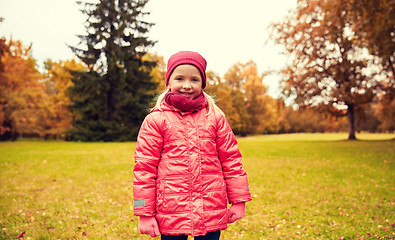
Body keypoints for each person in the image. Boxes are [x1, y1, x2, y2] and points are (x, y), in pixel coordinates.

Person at [132, 51, 252, 240]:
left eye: (194, 80)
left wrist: (239, 201)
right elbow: (144, 170)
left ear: (202, 84)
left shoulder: (215, 118)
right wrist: (144, 213)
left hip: (210, 208)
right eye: (179, 78)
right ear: (168, 82)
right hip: (171, 210)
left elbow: (232, 161)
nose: (187, 85)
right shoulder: (156, 120)